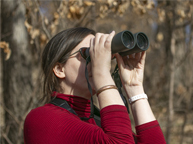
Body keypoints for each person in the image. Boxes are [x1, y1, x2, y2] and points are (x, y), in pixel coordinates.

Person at [24, 27, 166, 144]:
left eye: (97, 54)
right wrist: (102, 73)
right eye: (88, 54)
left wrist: (134, 88)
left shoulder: (101, 119)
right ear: (60, 69)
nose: (98, 62)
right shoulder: (42, 118)